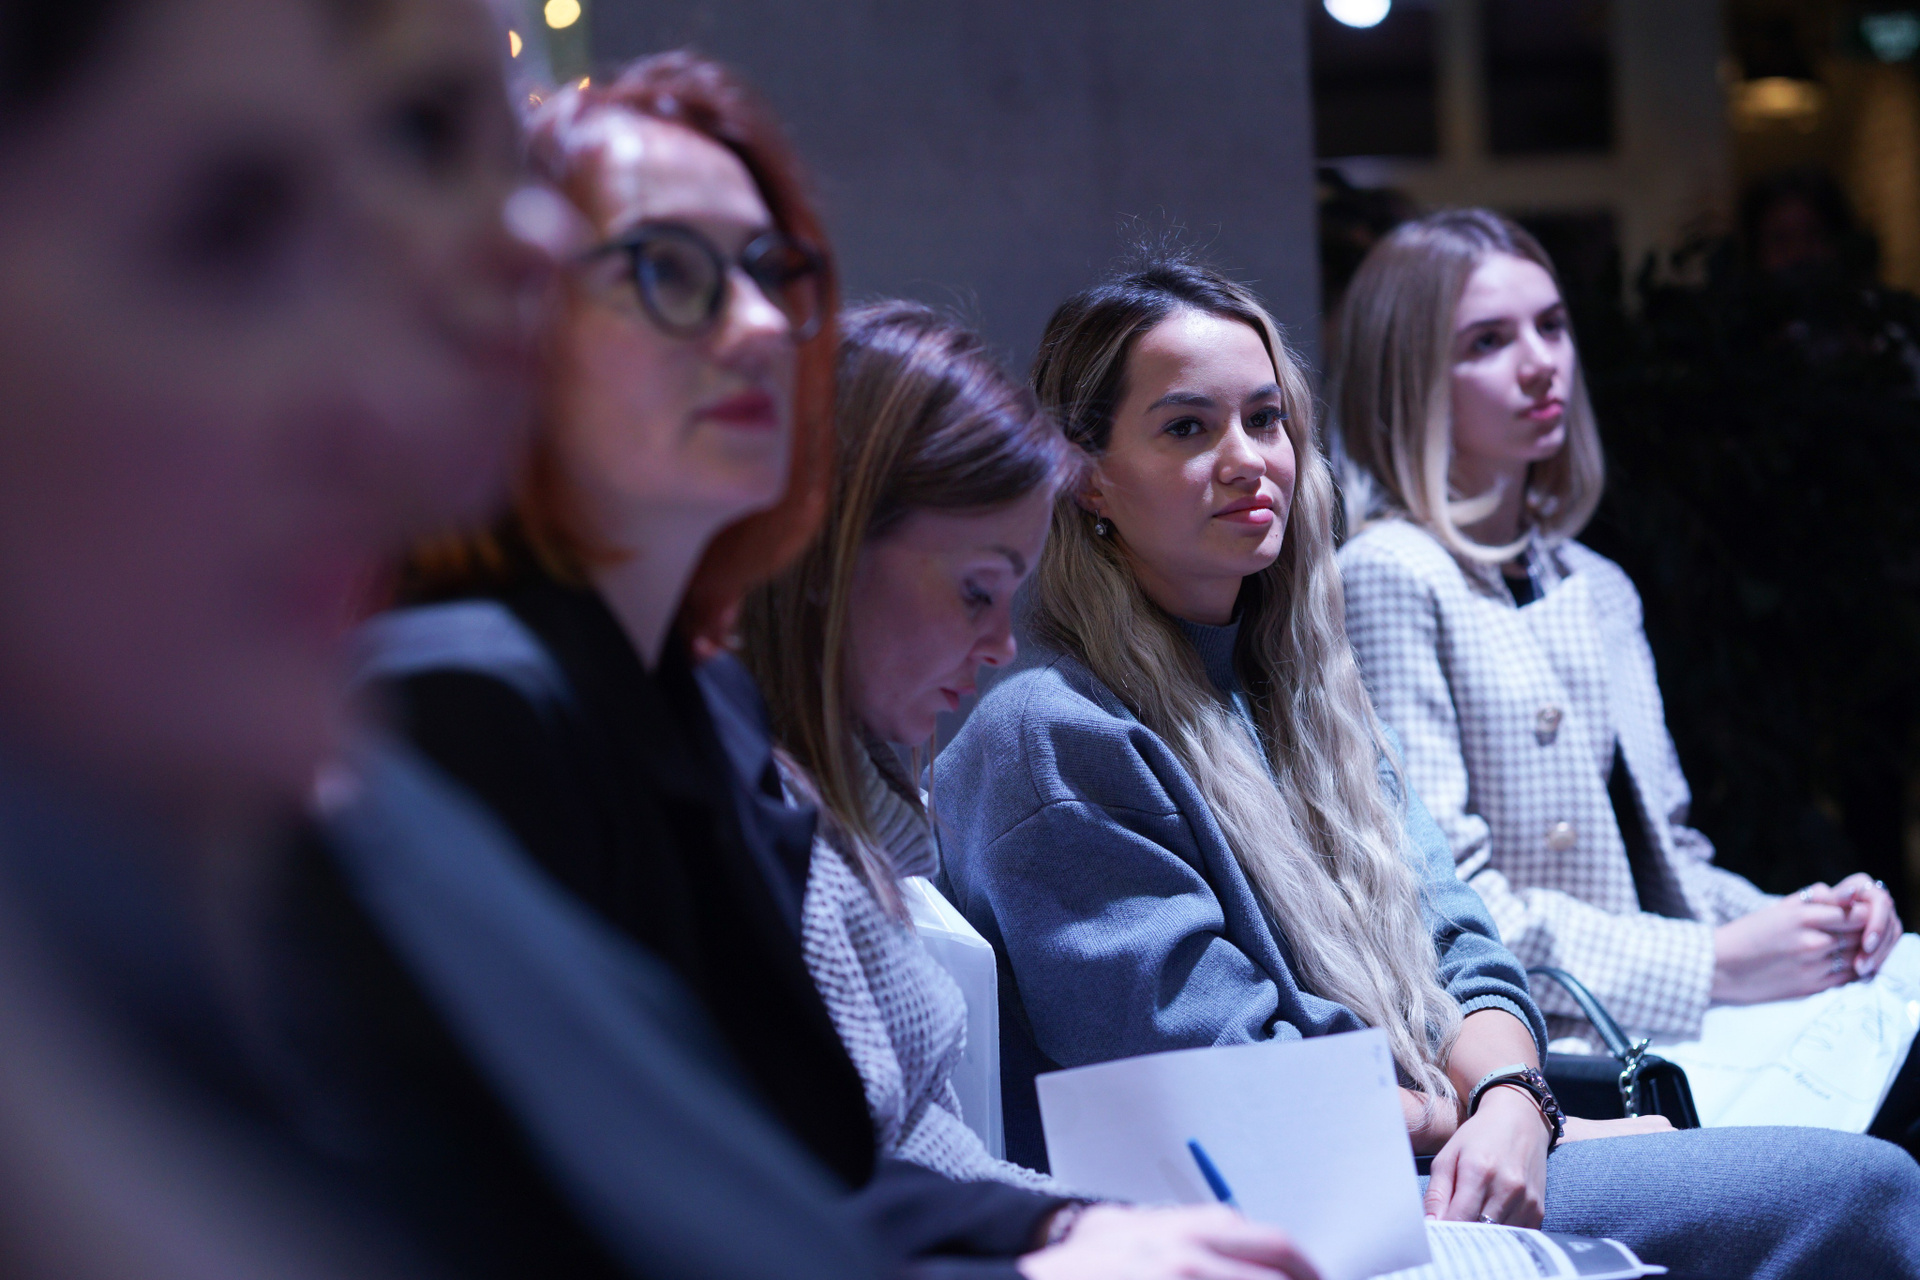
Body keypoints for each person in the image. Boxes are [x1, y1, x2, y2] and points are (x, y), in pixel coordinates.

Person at [364, 53, 1320, 1280]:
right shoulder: (467, 695)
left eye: (775, 273)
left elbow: (804, 1165)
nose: (765, 324)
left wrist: (1062, 1224)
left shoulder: (698, 703)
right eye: (670, 271)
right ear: (511, 321)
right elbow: (611, 1216)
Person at [0, 1, 899, 1276]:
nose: (374, 400)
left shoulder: (389, 791)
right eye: (230, 229)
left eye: (768, 271)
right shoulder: (451, 703)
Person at [935, 252, 1920, 1279]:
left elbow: (1462, 940)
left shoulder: (1311, 696)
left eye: (1266, 419)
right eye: (1187, 427)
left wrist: (1514, 1100)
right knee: (1862, 1188)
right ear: (1086, 475)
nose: (1247, 459)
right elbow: (1237, 1087)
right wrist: (1521, 1112)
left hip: (1432, 1144)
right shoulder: (1053, 737)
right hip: (1298, 1203)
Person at [1329, 208, 1920, 1148]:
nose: (1541, 363)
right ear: (1407, 378)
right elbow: (1455, 911)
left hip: (1662, 1022)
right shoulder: (1389, 573)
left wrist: (1811, 925)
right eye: (1488, 341)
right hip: (1547, 1062)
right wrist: (1717, 963)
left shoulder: (1596, 584)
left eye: (1552, 326)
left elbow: (1670, 857)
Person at [738, 300, 1074, 1192]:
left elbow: (930, 1162)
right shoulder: (756, 823)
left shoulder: (842, 811)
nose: (1002, 644)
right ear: (829, 548)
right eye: (976, 590)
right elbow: (865, 1193)